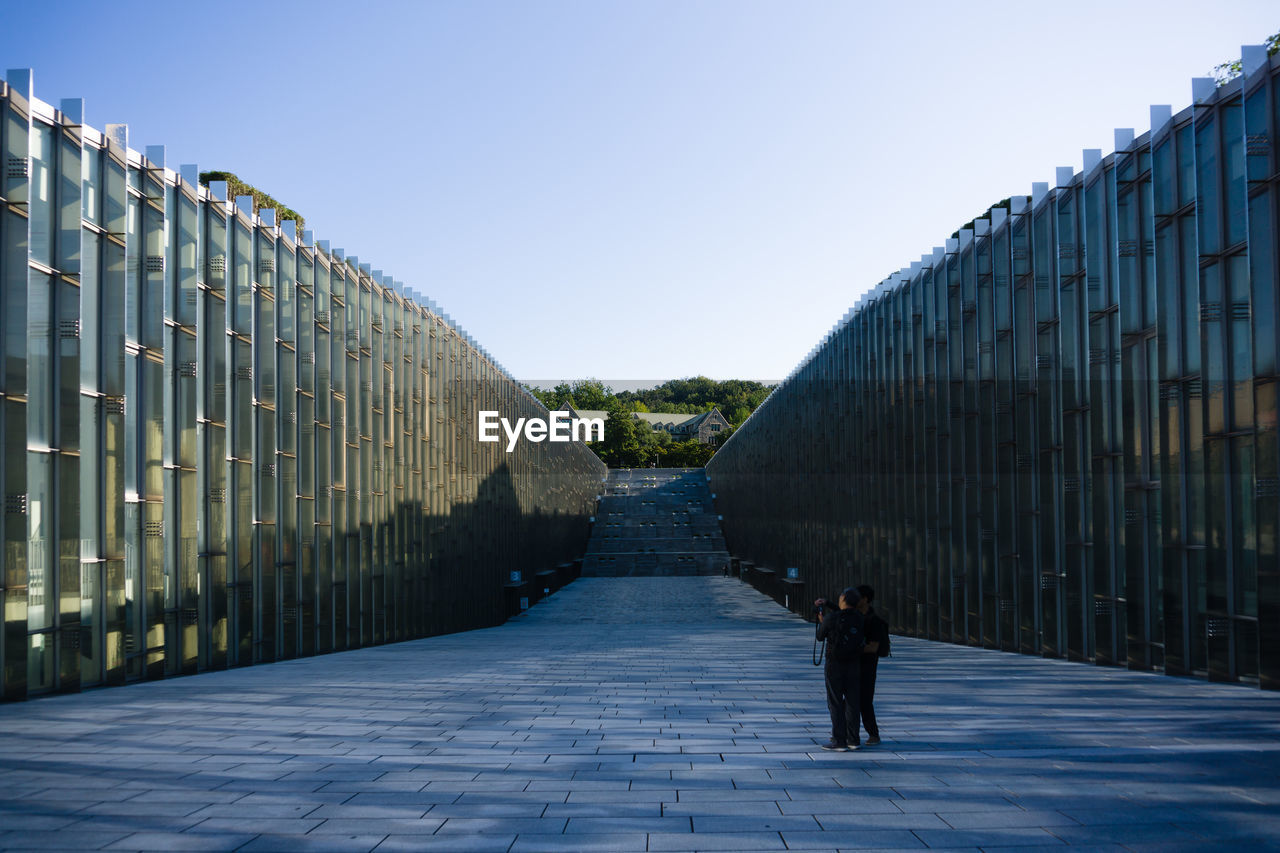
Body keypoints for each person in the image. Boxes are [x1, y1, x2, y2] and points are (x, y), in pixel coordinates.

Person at [814, 587, 865, 751]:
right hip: (854, 664)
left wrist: (823, 621)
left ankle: (839, 740)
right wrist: (828, 603)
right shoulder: (859, 618)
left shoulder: (831, 618)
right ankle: (853, 739)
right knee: (852, 702)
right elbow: (845, 614)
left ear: (843, 600)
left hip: (834, 664)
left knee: (835, 702)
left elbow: (820, 636)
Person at [856, 584, 888, 746]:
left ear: (865, 599)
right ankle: (850, 734)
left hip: (868, 666)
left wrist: (853, 649)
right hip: (853, 665)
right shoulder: (854, 615)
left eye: (857, 597)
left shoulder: (874, 621)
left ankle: (873, 734)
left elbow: (873, 647)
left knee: (865, 701)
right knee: (851, 701)